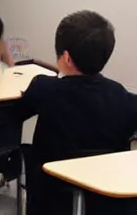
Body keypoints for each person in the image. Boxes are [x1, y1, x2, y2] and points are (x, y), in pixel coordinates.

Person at [17, 11, 137, 215]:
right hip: (107, 199)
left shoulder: (44, 88)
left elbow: (17, 112)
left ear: (66, 58)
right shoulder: (122, 95)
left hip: (51, 197)